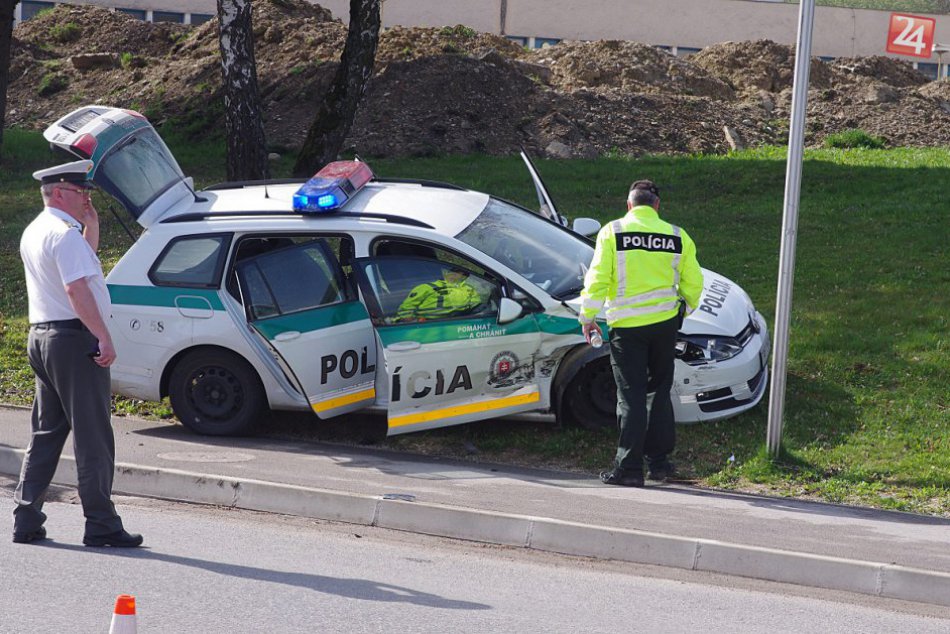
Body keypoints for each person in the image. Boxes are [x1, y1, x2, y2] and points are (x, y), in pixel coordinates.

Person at [13, 159, 143, 547]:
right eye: (79, 190)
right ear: (57, 193)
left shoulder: (40, 230)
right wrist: (102, 335)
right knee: (94, 436)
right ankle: (101, 524)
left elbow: (77, 271)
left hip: (44, 336)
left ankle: (25, 516)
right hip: (72, 339)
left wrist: (93, 227)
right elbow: (77, 290)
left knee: (47, 432)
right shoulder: (64, 235)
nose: (87, 196)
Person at [579, 180, 703, 487]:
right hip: (664, 326)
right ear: (657, 207)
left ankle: (629, 469)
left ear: (629, 205)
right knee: (659, 392)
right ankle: (659, 464)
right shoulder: (676, 235)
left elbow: (597, 278)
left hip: (627, 329)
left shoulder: (613, 232)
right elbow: (694, 284)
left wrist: (588, 317)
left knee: (631, 397)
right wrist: (681, 313)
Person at [395, 268, 483, 322]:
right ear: (446, 273)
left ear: (465, 277)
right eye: (453, 272)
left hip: (458, 323)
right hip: (427, 325)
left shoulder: (469, 289)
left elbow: (477, 307)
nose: (456, 275)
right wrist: (416, 322)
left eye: (462, 274)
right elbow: (405, 310)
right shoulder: (427, 287)